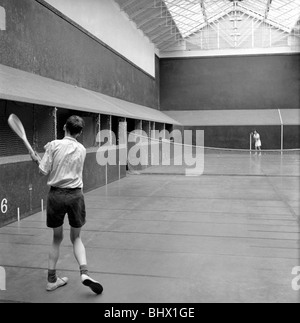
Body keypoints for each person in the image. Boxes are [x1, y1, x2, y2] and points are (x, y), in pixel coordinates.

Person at [30, 115, 103, 295]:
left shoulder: (53, 145)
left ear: (64, 127)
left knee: (56, 239)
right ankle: (84, 273)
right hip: (75, 196)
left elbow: (43, 171)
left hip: (56, 195)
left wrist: (36, 159)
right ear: (79, 132)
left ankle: (51, 280)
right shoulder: (82, 149)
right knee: (76, 238)